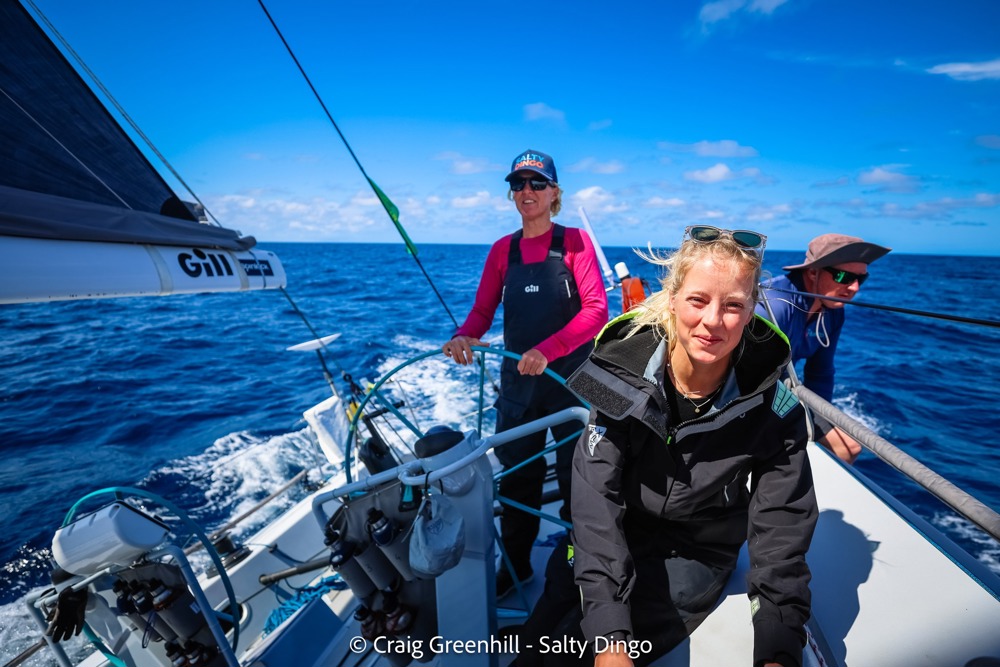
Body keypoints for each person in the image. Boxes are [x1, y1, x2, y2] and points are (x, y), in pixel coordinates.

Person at [516, 225, 817, 667]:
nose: (713, 321)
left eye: (733, 305)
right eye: (698, 300)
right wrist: (610, 638)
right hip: (611, 534)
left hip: (696, 552)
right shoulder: (622, 375)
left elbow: (781, 527)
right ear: (673, 298)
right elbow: (595, 502)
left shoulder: (772, 402)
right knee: (538, 643)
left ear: (752, 310)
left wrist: (778, 643)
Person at [442, 149, 608, 598]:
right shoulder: (502, 250)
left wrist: (548, 349)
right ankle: (516, 567)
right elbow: (481, 311)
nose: (527, 192)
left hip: (575, 382)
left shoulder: (575, 243)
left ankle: (579, 566)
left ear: (555, 192)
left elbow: (596, 310)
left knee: (581, 486)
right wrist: (464, 337)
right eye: (518, 184)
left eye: (537, 183)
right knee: (517, 483)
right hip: (519, 386)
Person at [756, 233, 891, 464]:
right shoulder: (774, 306)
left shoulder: (834, 313)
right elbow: (750, 379)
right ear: (812, 272)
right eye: (843, 276)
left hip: (780, 393)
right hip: (752, 396)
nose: (854, 287)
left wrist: (820, 417)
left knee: (848, 449)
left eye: (862, 279)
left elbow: (821, 373)